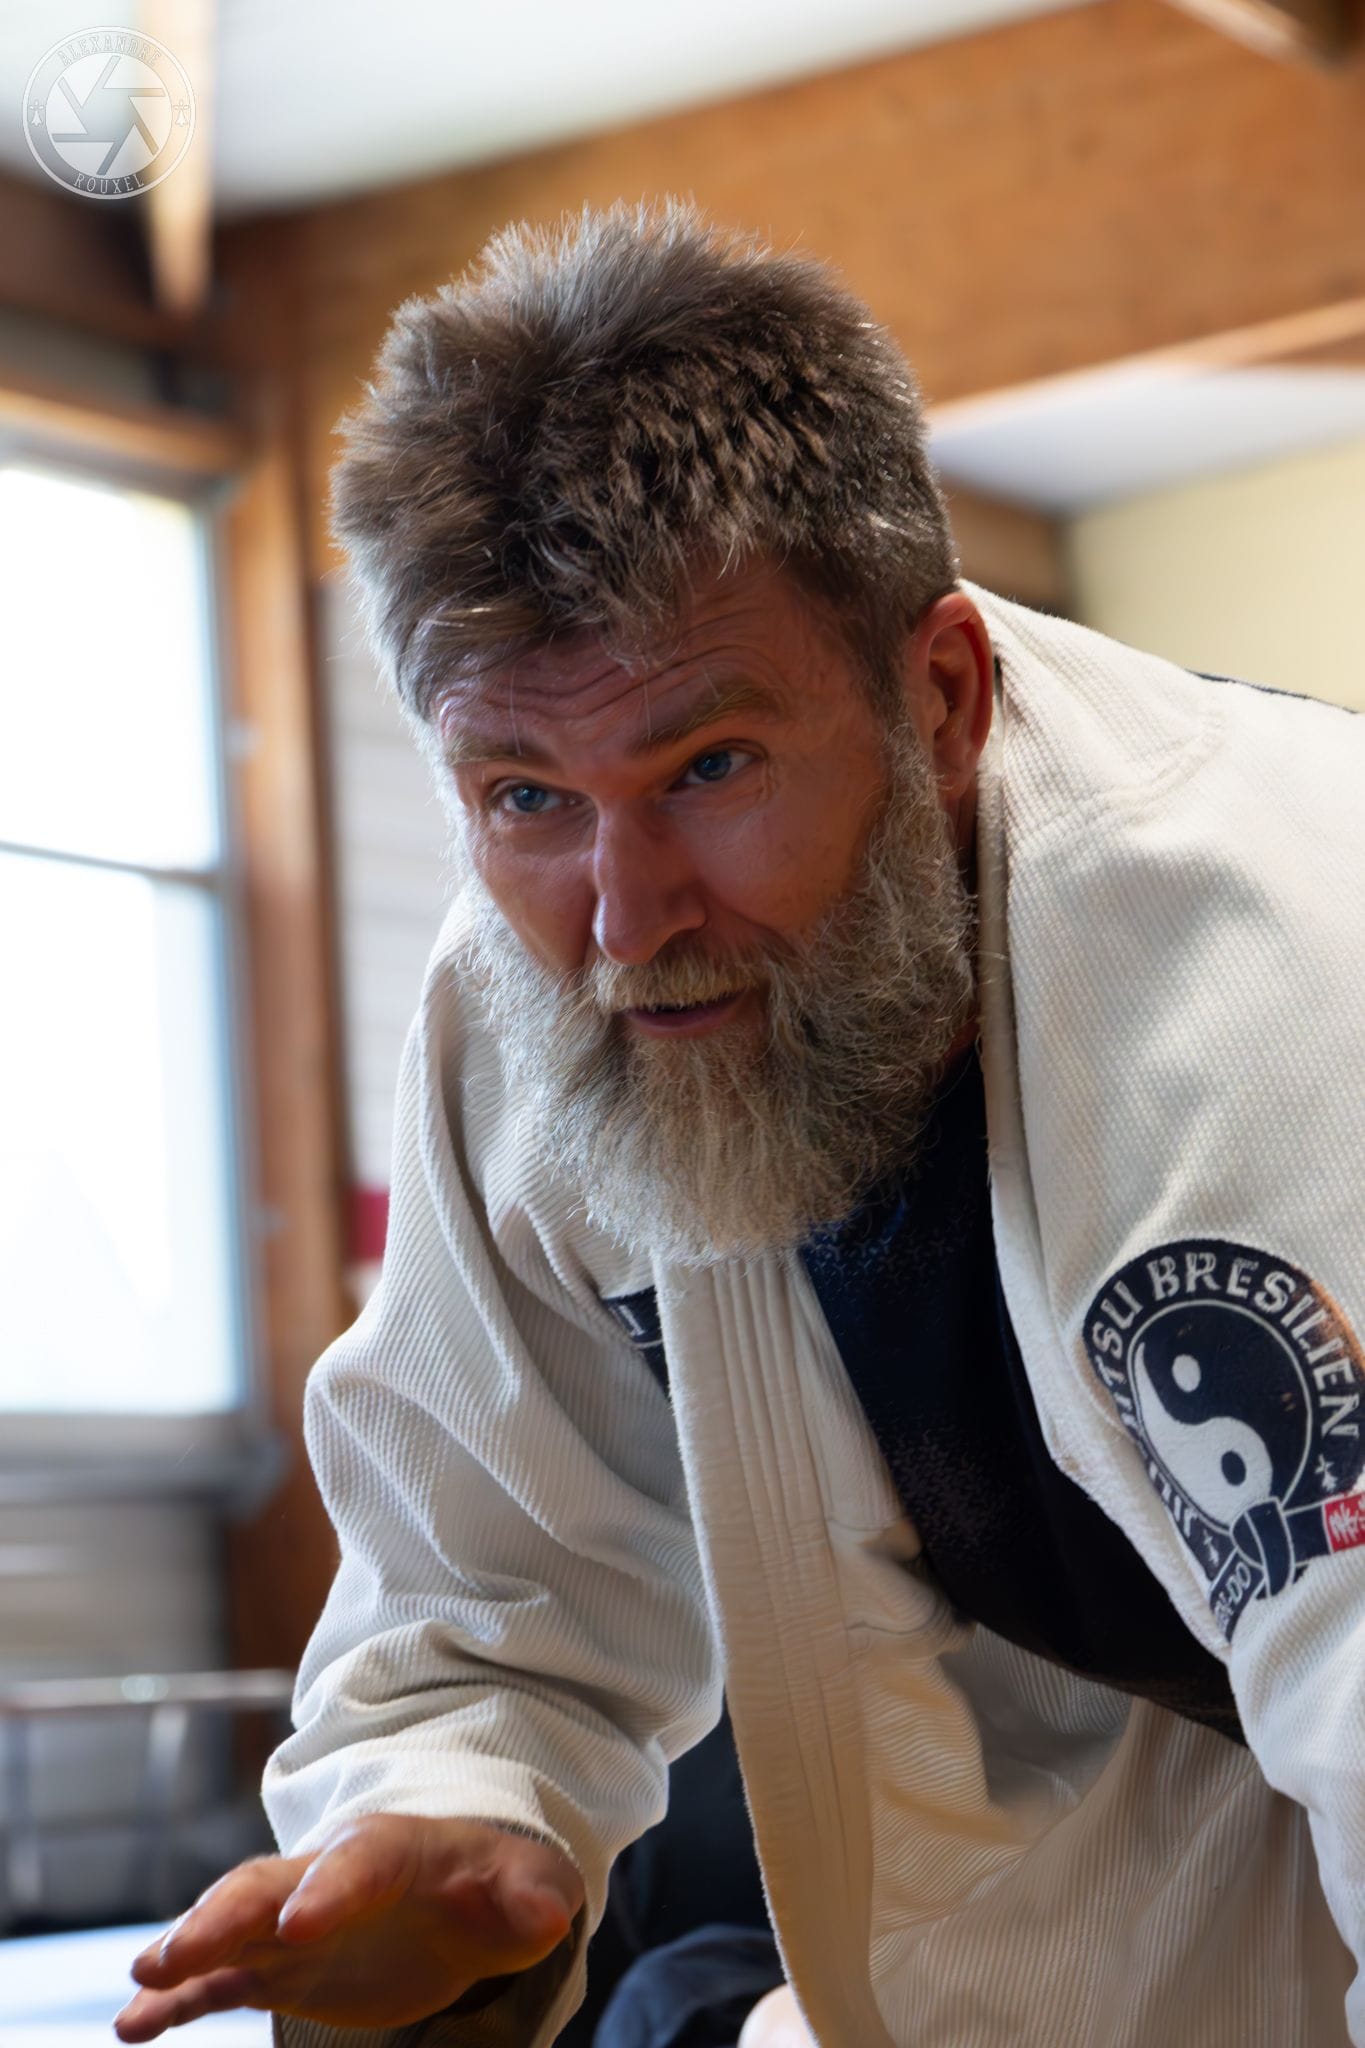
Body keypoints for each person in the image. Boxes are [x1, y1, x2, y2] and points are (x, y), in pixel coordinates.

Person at [114, 205, 1365, 2048]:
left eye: (708, 767)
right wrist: (455, 1817)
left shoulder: (1270, 989)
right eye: (521, 793)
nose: (626, 920)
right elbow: (493, 1585)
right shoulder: (536, 991)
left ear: (939, 698)